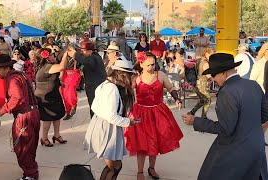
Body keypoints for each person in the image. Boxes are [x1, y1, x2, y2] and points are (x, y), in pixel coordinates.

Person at [182, 53, 268, 180]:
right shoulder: (254, 85)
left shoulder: (227, 91)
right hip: (257, 147)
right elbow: (264, 116)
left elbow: (225, 129)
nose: (212, 79)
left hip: (235, 151)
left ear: (224, 73)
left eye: (213, 75)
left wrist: (196, 121)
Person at [125, 52, 183, 180]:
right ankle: (140, 171)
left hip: (158, 113)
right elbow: (127, 94)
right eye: (148, 65)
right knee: (141, 143)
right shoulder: (136, 78)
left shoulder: (160, 75)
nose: (152, 67)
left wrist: (177, 99)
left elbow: (170, 88)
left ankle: (151, 168)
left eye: (153, 64)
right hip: (140, 113)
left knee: (155, 142)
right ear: (141, 64)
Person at [0, 54, 40, 180]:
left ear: (6, 68)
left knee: (23, 148)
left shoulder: (12, 79)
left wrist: (1, 110)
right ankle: (31, 171)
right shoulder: (20, 74)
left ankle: (30, 175)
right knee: (30, 146)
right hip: (33, 113)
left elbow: (16, 97)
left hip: (24, 117)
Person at [85, 60, 138, 180]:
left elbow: (94, 106)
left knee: (115, 164)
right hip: (107, 128)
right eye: (129, 75)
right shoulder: (112, 89)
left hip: (104, 125)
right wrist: (129, 122)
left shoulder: (105, 84)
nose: (130, 78)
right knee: (114, 166)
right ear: (122, 74)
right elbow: (112, 117)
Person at [53, 42, 106, 118]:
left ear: (90, 51)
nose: (81, 53)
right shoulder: (93, 57)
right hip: (93, 86)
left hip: (96, 87)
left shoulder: (94, 58)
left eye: (83, 51)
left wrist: (74, 54)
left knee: (95, 108)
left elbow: (84, 61)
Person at [34, 48, 66, 147]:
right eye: (51, 55)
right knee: (47, 119)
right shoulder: (46, 67)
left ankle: (57, 135)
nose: (53, 56)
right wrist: (65, 55)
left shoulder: (47, 66)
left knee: (57, 115)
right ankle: (44, 138)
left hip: (53, 95)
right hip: (45, 98)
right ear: (46, 58)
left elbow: (51, 77)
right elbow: (61, 67)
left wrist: (59, 82)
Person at [188, 47, 214, 119]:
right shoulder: (205, 63)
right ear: (206, 53)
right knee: (208, 99)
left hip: (196, 84)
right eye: (211, 54)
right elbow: (208, 74)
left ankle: (191, 112)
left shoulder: (199, 60)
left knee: (203, 100)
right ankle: (203, 116)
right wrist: (214, 79)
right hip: (201, 85)